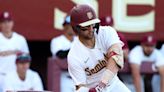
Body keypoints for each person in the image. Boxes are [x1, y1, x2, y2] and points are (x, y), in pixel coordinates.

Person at [68, 4, 130, 92]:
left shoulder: (107, 32)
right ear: (76, 29)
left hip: (113, 84)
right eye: (86, 27)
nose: (91, 29)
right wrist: (89, 91)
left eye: (93, 24)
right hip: (92, 89)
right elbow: (79, 86)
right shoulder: (74, 55)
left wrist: (101, 86)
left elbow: (117, 57)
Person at [0, 11, 29, 91]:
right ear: (0, 24)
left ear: (12, 23)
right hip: (1, 75)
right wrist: (13, 52)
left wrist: (7, 53)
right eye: (4, 22)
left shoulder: (20, 39)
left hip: (15, 77)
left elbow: (27, 58)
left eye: (9, 21)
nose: (7, 25)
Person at [50, 15, 75, 92]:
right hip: (64, 77)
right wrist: (76, 50)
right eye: (68, 25)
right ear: (64, 26)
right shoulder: (57, 41)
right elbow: (60, 55)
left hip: (79, 78)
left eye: (72, 25)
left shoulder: (80, 40)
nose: (70, 28)